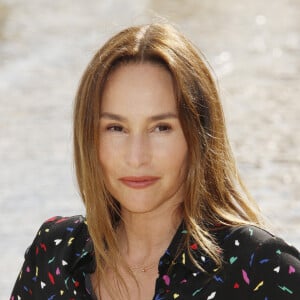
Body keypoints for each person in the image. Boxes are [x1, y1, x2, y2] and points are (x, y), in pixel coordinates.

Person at [10, 23, 300, 300]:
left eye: (161, 127)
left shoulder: (260, 266)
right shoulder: (54, 256)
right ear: (89, 137)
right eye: (116, 128)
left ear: (198, 135)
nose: (137, 157)